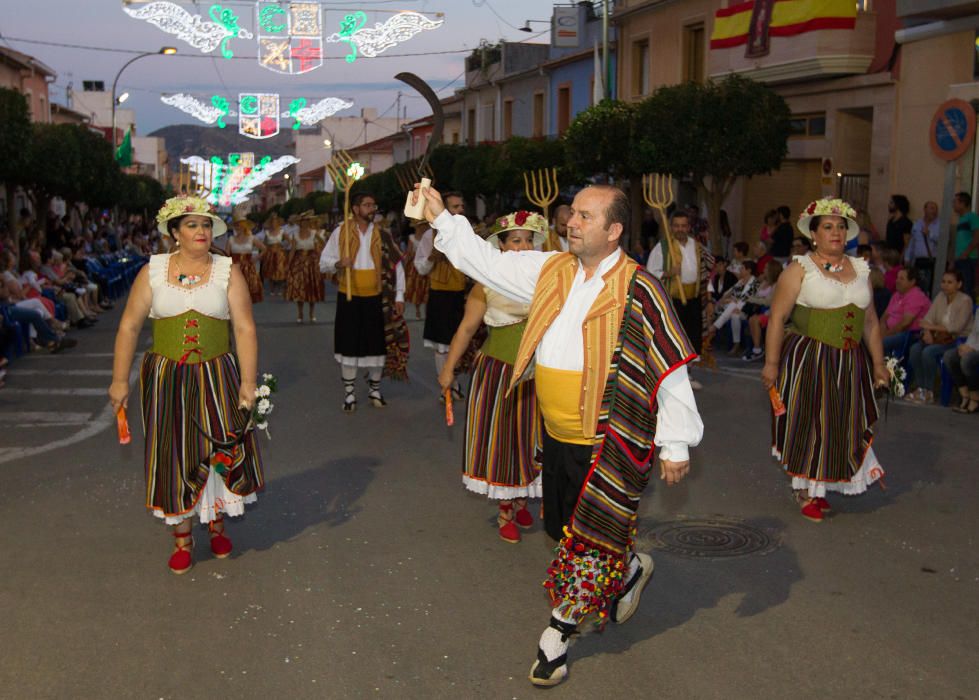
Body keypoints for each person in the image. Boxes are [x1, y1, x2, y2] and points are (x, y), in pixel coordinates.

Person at [414, 182, 702, 687]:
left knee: (585, 540)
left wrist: (675, 443)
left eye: (585, 217)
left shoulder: (640, 287)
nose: (571, 221)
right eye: (572, 214)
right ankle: (630, 567)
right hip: (557, 432)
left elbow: (668, 366)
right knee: (565, 532)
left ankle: (556, 638)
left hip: (612, 436)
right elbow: (488, 263)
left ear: (613, 231)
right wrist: (441, 219)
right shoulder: (550, 269)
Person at [108, 196, 264, 575]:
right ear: (174, 233)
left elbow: (243, 328)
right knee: (175, 452)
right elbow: (129, 325)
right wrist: (118, 380)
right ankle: (182, 536)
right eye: (192, 225)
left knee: (219, 448)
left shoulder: (229, 270)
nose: (201, 232)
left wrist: (247, 381)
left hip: (217, 373)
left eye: (206, 225)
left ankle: (216, 524)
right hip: (167, 378)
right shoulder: (153, 272)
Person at [762, 198, 888, 523]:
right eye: (828, 227)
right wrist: (772, 364)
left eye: (841, 226)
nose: (836, 232)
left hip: (849, 361)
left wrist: (878, 364)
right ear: (814, 235)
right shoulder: (800, 269)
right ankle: (806, 491)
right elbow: (777, 318)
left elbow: (871, 321)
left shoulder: (860, 270)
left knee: (839, 424)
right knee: (811, 424)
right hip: (811, 357)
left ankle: (820, 488)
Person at [436, 212, 546, 543]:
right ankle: (505, 510)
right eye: (515, 240)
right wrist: (448, 368)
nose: (523, 246)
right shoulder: (485, 283)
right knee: (504, 440)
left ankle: (524, 497)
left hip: (539, 371)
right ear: (500, 245)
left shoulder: (544, 277)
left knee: (533, 438)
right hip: (499, 370)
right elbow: (467, 328)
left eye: (528, 240)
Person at [319, 193, 408, 412]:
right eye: (367, 205)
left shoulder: (383, 235)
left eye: (373, 204)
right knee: (349, 343)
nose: (372, 208)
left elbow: (397, 266)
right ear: (356, 209)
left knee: (376, 344)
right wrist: (340, 262)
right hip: (348, 294)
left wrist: (399, 295)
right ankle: (349, 393)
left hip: (377, 296)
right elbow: (323, 263)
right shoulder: (340, 232)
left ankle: (375, 389)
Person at [647, 210, 713, 387]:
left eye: (683, 225)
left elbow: (706, 271)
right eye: (676, 225)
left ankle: (687, 373)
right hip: (673, 299)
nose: (680, 229)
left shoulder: (697, 246)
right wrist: (669, 273)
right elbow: (650, 272)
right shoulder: (663, 247)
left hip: (693, 298)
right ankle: (672, 375)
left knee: (692, 336)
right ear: (671, 227)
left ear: (689, 227)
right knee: (675, 336)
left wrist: (709, 298)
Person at [414, 192, 469, 400]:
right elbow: (420, 267)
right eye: (455, 207)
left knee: (459, 341)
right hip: (440, 294)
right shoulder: (430, 236)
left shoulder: (465, 233)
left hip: (460, 294)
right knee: (441, 345)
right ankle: (447, 386)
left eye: (461, 206)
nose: (460, 210)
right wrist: (432, 258)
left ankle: (454, 383)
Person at [906, 270, 974, 403]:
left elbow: (956, 328)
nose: (945, 285)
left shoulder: (965, 300)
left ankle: (929, 391)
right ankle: (921, 388)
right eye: (943, 282)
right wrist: (927, 333)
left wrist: (932, 328)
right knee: (915, 349)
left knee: (928, 352)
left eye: (950, 282)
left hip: (956, 340)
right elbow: (927, 319)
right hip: (937, 337)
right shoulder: (940, 297)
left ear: (959, 284)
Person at [707, 260, 758, 356]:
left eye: (742, 268)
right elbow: (729, 292)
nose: (740, 270)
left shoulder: (754, 283)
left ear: (749, 270)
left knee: (734, 309)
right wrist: (724, 299)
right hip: (731, 308)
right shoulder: (740, 281)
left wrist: (734, 302)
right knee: (731, 312)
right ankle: (732, 343)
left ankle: (713, 329)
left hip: (744, 310)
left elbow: (747, 298)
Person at [881, 266, 931, 357]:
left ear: (912, 282)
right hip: (891, 331)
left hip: (909, 334)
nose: (897, 281)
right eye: (897, 278)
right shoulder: (896, 294)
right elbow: (884, 317)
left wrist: (885, 335)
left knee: (882, 342)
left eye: (902, 279)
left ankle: (889, 369)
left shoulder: (916, 296)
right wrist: (881, 330)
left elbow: (905, 324)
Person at [285, 211, 325, 323]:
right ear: (300, 223)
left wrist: (319, 254)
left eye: (307, 221)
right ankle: (300, 313)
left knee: (311, 287)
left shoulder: (313, 233)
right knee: (299, 287)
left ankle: (312, 313)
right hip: (299, 263)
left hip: (312, 263)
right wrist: (288, 264)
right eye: (303, 221)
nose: (306, 223)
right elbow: (292, 250)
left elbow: (323, 243)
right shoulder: (295, 235)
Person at [945, 311, 979, 413]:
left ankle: (975, 398)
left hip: (976, 349)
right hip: (974, 347)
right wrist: (965, 346)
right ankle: (965, 395)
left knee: (967, 360)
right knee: (950, 356)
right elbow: (974, 333)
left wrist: (973, 348)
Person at [226, 217, 265, 304]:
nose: (237, 228)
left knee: (248, 293)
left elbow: (264, 249)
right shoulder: (231, 239)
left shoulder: (251, 238)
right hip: (235, 269)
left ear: (244, 227)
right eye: (236, 226)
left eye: (239, 226)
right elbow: (226, 255)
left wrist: (256, 258)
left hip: (248, 269)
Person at [905, 200, 940, 294]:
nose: (934, 211)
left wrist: (930, 234)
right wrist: (907, 257)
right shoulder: (917, 224)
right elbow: (912, 242)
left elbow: (944, 242)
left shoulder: (940, 225)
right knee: (918, 286)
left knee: (928, 287)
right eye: (932, 208)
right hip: (918, 261)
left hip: (931, 261)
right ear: (925, 209)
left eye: (936, 209)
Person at [952, 191, 979, 299]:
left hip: (968, 259)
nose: (953, 204)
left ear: (963, 204)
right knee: (960, 289)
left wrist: (966, 253)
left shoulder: (972, 217)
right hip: (961, 259)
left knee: (967, 289)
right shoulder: (961, 220)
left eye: (955, 202)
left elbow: (977, 237)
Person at [404, 218, 431, 320]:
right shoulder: (412, 238)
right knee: (418, 288)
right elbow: (409, 253)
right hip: (416, 265)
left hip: (423, 264)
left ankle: (421, 309)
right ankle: (418, 309)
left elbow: (409, 254)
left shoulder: (427, 237)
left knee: (423, 288)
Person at [260, 212, 289, 296]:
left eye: (275, 222)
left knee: (280, 271)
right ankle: (272, 289)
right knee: (270, 271)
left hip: (280, 254)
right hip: (270, 253)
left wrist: (284, 247)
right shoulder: (267, 232)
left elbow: (290, 241)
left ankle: (279, 288)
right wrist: (264, 251)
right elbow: (264, 244)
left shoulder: (282, 231)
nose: (274, 224)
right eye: (272, 222)